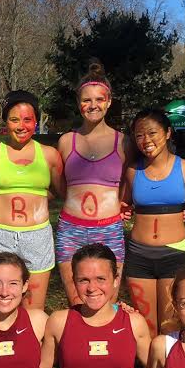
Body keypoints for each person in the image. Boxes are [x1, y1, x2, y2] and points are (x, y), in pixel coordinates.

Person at [0, 91, 63, 312]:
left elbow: (61, 191)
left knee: (34, 308)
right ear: (5, 121)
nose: (21, 126)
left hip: (36, 235)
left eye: (27, 120)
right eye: (14, 119)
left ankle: (31, 346)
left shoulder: (49, 155)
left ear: (36, 121)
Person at [55, 62, 127, 305]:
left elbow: (130, 182)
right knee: (76, 301)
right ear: (78, 103)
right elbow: (61, 188)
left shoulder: (124, 142)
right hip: (71, 230)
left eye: (99, 99)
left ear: (109, 101)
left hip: (109, 229)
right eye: (86, 100)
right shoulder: (66, 141)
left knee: (107, 301)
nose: (93, 105)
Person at [122, 109, 185, 336]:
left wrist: (184, 212)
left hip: (173, 255)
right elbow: (122, 203)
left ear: (167, 133)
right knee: (145, 324)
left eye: (152, 133)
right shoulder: (133, 171)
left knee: (170, 323)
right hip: (138, 255)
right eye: (140, 135)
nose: (146, 140)